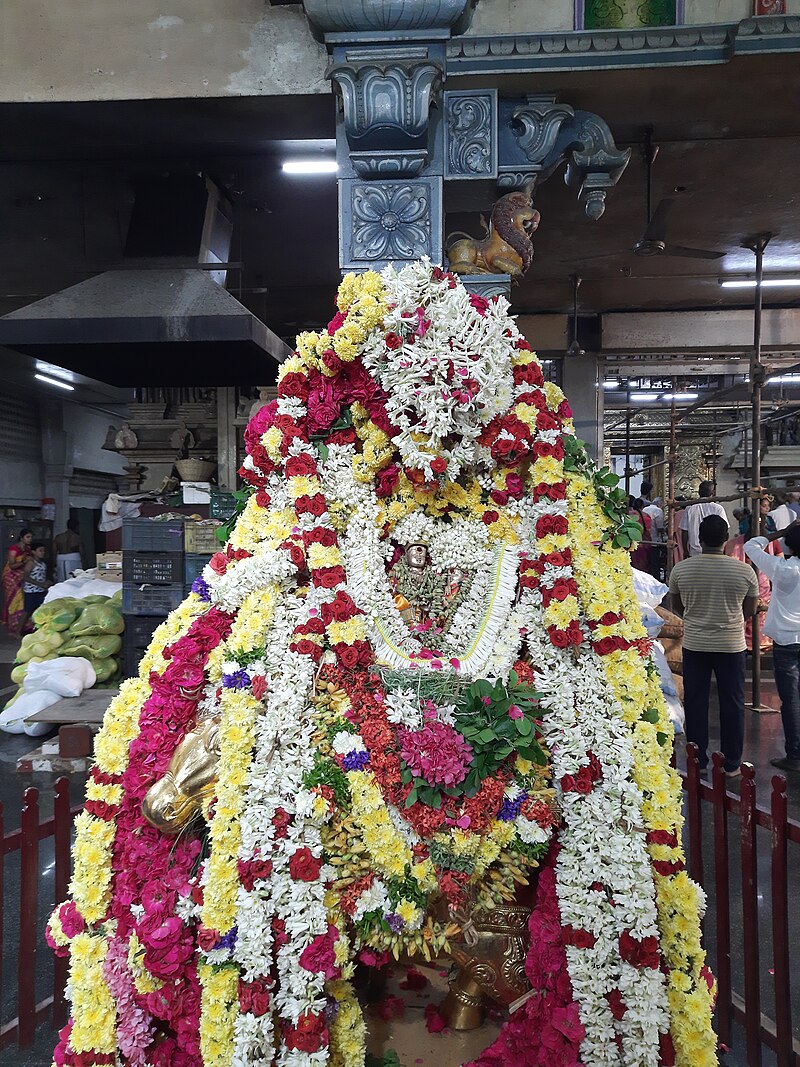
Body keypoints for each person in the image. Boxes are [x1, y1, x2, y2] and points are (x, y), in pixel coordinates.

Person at [669, 514, 759, 776]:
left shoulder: (681, 569)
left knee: (696, 703)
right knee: (732, 702)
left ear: (699, 538)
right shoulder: (744, 570)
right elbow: (751, 609)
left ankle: (699, 761)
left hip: (696, 644)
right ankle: (732, 764)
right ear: (726, 539)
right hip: (731, 646)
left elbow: (679, 606)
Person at [744, 521, 800, 770]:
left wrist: (779, 532)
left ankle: (795, 754)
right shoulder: (784, 567)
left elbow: (751, 545)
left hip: (786, 642)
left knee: (790, 700)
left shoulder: (783, 569)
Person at [679, 480, 727, 558]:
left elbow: (685, 531)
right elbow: (724, 530)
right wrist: (723, 549)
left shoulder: (689, 508)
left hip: (694, 552)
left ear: (699, 492)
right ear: (713, 493)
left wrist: (685, 550)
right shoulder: (718, 509)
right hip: (714, 551)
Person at [1, 528, 33, 635]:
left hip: (22, 575)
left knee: (23, 600)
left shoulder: (27, 549)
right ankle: (14, 626)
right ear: (22, 538)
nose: (30, 539)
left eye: (31, 537)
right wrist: (24, 561)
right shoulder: (14, 549)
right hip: (11, 577)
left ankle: (24, 626)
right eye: (28, 537)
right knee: (15, 600)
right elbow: (12, 565)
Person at [21, 542, 52, 629]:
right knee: (27, 612)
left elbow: (41, 577)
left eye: (43, 551)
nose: (42, 552)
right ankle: (17, 632)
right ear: (34, 552)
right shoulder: (31, 563)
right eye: (40, 551)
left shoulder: (43, 564)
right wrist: (40, 584)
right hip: (31, 591)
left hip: (41, 590)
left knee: (40, 611)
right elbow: (25, 577)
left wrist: (47, 582)